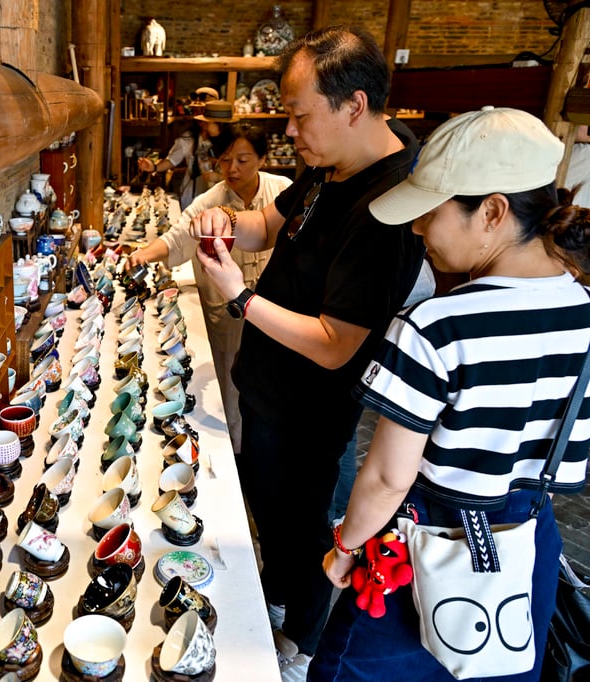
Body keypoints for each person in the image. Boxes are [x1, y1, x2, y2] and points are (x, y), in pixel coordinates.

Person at [310, 107, 590, 681]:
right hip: (526, 548)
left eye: (430, 214)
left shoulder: (437, 324)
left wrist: (346, 544)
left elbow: (388, 477)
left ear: (491, 212)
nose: (417, 231)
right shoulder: (585, 313)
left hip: (420, 551)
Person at [191, 26, 427, 679]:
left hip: (308, 411)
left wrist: (240, 299)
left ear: (353, 105)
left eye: (299, 116)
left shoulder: (391, 204)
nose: (288, 132)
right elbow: (271, 222)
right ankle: (273, 604)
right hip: (269, 391)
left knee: (305, 529)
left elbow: (335, 345)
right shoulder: (334, 162)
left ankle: (299, 646)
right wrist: (224, 226)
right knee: (272, 514)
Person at [128, 122, 292, 455]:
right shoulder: (210, 201)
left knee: (277, 383)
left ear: (262, 158)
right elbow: (177, 238)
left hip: (276, 311)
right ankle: (237, 453)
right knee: (232, 384)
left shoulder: (283, 191)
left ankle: (272, 451)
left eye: (243, 160)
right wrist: (142, 254)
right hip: (228, 315)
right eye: (225, 160)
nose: (232, 169)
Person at [138, 91, 228, 209]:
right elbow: (171, 161)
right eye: (196, 110)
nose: (199, 115)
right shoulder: (188, 138)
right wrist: (154, 167)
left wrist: (217, 174)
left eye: (203, 110)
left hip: (220, 198)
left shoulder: (228, 140)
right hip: (192, 196)